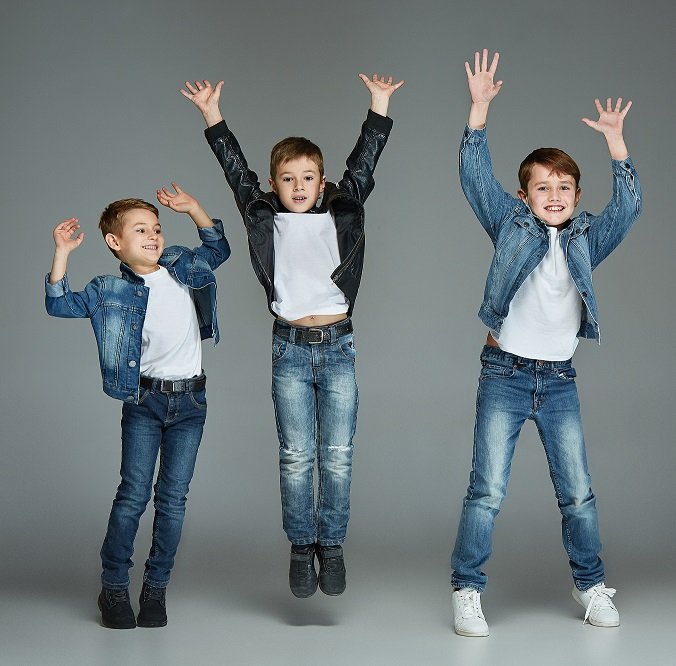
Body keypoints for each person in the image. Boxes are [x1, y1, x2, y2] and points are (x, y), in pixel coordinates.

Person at [181, 73, 403, 597]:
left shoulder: (342, 210)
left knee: (338, 454)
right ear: (274, 186)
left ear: (323, 184)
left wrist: (380, 104)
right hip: (289, 350)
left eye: (308, 178)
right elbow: (237, 172)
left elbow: (364, 164)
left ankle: (334, 544)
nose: (299, 186)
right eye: (287, 178)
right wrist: (212, 115)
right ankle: (301, 547)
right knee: (297, 455)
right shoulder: (262, 216)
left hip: (339, 347)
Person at [450, 50, 642, 637]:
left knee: (578, 493)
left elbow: (629, 207)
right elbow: (472, 177)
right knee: (486, 489)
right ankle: (467, 590)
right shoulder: (509, 224)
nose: (554, 195)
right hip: (504, 373)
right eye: (542, 187)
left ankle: (592, 586)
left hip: (559, 380)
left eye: (564, 187)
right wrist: (479, 110)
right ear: (524, 195)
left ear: (577, 196)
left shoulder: (585, 238)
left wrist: (617, 144)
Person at [45, 185, 230, 628]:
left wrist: (194, 210)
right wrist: (62, 252)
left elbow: (218, 247)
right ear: (116, 243)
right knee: (132, 496)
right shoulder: (108, 289)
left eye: (157, 228)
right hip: (145, 402)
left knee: (172, 501)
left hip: (191, 402)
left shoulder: (184, 265)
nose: (153, 236)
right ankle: (113, 588)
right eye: (140, 230)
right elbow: (58, 304)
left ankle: (155, 589)